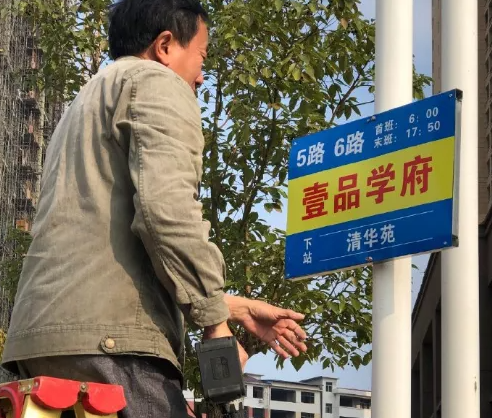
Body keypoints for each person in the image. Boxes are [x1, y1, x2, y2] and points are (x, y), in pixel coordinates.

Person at [2, 0, 308, 417]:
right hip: (113, 348)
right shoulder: (157, 82)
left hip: (42, 343)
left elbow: (107, 245)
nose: (201, 75)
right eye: (201, 56)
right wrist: (215, 326)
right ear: (165, 46)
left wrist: (231, 307)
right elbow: (167, 213)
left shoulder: (88, 98)